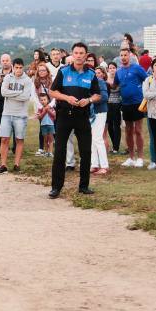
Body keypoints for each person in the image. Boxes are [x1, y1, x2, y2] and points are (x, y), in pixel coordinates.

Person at [48, 42, 102, 199]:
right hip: (64, 115)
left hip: (82, 117)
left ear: (86, 55)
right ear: (72, 54)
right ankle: (56, 187)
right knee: (60, 152)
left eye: (81, 53)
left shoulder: (91, 74)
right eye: (76, 53)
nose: (78, 55)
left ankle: (84, 186)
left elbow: (98, 95)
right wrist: (66, 97)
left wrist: (89, 100)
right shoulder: (64, 72)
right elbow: (52, 91)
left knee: (86, 151)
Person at [0, 58, 33, 174]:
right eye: (16, 67)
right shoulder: (8, 77)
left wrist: (11, 94)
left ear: (23, 67)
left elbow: (26, 96)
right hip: (7, 114)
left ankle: (16, 164)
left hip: (20, 115)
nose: (18, 70)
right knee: (4, 139)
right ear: (13, 67)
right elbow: (3, 93)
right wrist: (18, 93)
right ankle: (3, 164)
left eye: (20, 67)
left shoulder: (27, 80)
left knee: (19, 139)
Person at [115, 48, 148, 167]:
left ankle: (140, 158)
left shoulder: (137, 68)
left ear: (130, 56)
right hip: (125, 104)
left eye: (125, 55)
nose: (123, 57)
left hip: (138, 103)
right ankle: (131, 157)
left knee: (138, 130)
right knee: (128, 131)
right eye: (121, 55)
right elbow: (115, 85)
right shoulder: (118, 71)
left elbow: (147, 79)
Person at [90, 66, 110, 174]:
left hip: (100, 112)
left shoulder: (100, 82)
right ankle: (94, 164)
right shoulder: (89, 82)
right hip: (92, 113)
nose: (96, 75)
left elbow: (104, 97)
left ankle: (104, 166)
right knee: (92, 139)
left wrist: (91, 100)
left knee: (98, 138)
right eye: (95, 73)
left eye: (99, 73)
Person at [105, 62, 122, 154]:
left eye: (113, 68)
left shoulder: (119, 79)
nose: (112, 69)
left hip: (116, 104)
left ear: (116, 69)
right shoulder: (105, 79)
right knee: (109, 126)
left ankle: (116, 147)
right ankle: (114, 144)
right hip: (107, 104)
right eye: (110, 68)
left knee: (116, 125)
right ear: (108, 69)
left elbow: (119, 90)